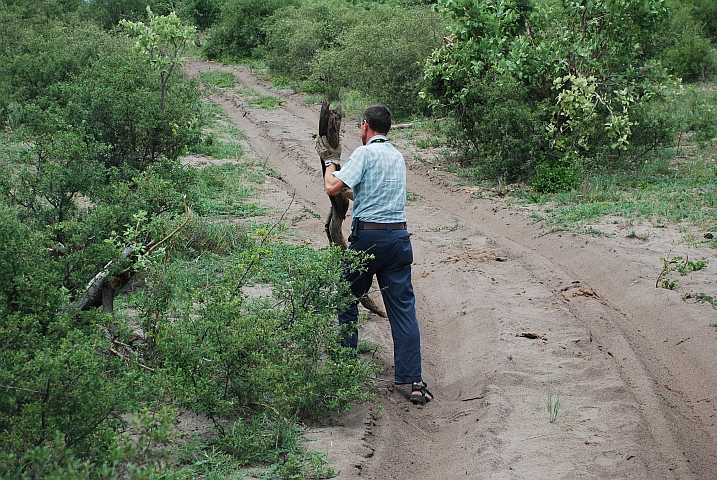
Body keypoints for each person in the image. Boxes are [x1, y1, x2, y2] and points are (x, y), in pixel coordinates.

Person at [316, 104, 433, 405]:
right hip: (398, 239)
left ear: (366, 125)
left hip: (369, 238)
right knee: (403, 309)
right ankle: (415, 380)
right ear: (389, 129)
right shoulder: (397, 156)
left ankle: (346, 367)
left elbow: (331, 187)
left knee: (345, 297)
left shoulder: (365, 153)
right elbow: (367, 192)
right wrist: (348, 188)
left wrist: (330, 160)